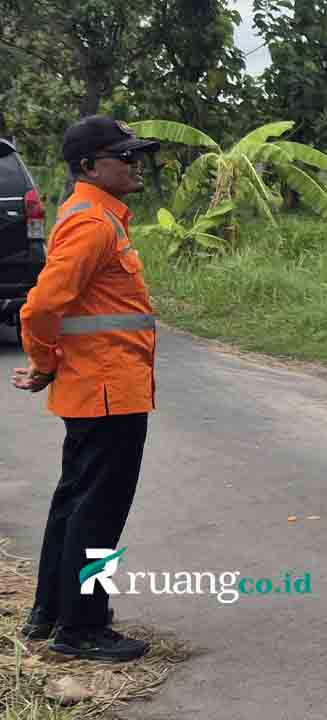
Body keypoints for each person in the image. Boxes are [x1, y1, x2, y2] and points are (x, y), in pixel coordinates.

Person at [14, 115, 161, 661]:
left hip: (101, 387)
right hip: (108, 389)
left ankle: (51, 613)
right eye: (124, 155)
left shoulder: (93, 215)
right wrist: (44, 360)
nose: (134, 162)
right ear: (88, 167)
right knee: (97, 510)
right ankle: (83, 627)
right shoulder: (93, 223)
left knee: (76, 500)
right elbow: (43, 306)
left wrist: (50, 363)